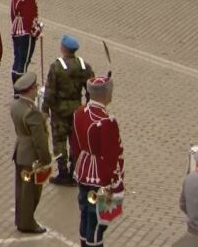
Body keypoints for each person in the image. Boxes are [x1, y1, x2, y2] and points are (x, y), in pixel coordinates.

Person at [71, 75, 125, 247]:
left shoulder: (79, 113)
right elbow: (112, 155)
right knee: (97, 222)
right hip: (99, 175)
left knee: (85, 214)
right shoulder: (106, 121)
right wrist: (115, 183)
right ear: (105, 94)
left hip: (83, 169)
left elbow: (74, 144)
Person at [43, 34, 94, 184]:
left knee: (59, 141)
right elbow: (91, 88)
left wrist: (45, 110)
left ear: (63, 48)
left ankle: (63, 172)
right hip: (77, 108)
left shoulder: (57, 67)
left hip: (59, 110)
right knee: (75, 140)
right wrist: (88, 105)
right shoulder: (84, 66)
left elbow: (50, 91)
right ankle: (74, 170)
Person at [11, 72, 51, 234]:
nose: (37, 91)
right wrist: (45, 158)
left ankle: (21, 219)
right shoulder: (32, 112)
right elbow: (39, 139)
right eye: (35, 88)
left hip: (20, 150)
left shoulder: (16, 106)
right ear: (29, 90)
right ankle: (27, 222)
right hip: (31, 155)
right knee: (31, 192)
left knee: (21, 190)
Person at [9, 0, 41, 84]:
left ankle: (15, 85)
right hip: (26, 33)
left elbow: (13, 13)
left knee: (17, 59)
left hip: (16, 30)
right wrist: (36, 31)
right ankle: (19, 87)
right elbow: (30, 18)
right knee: (24, 61)